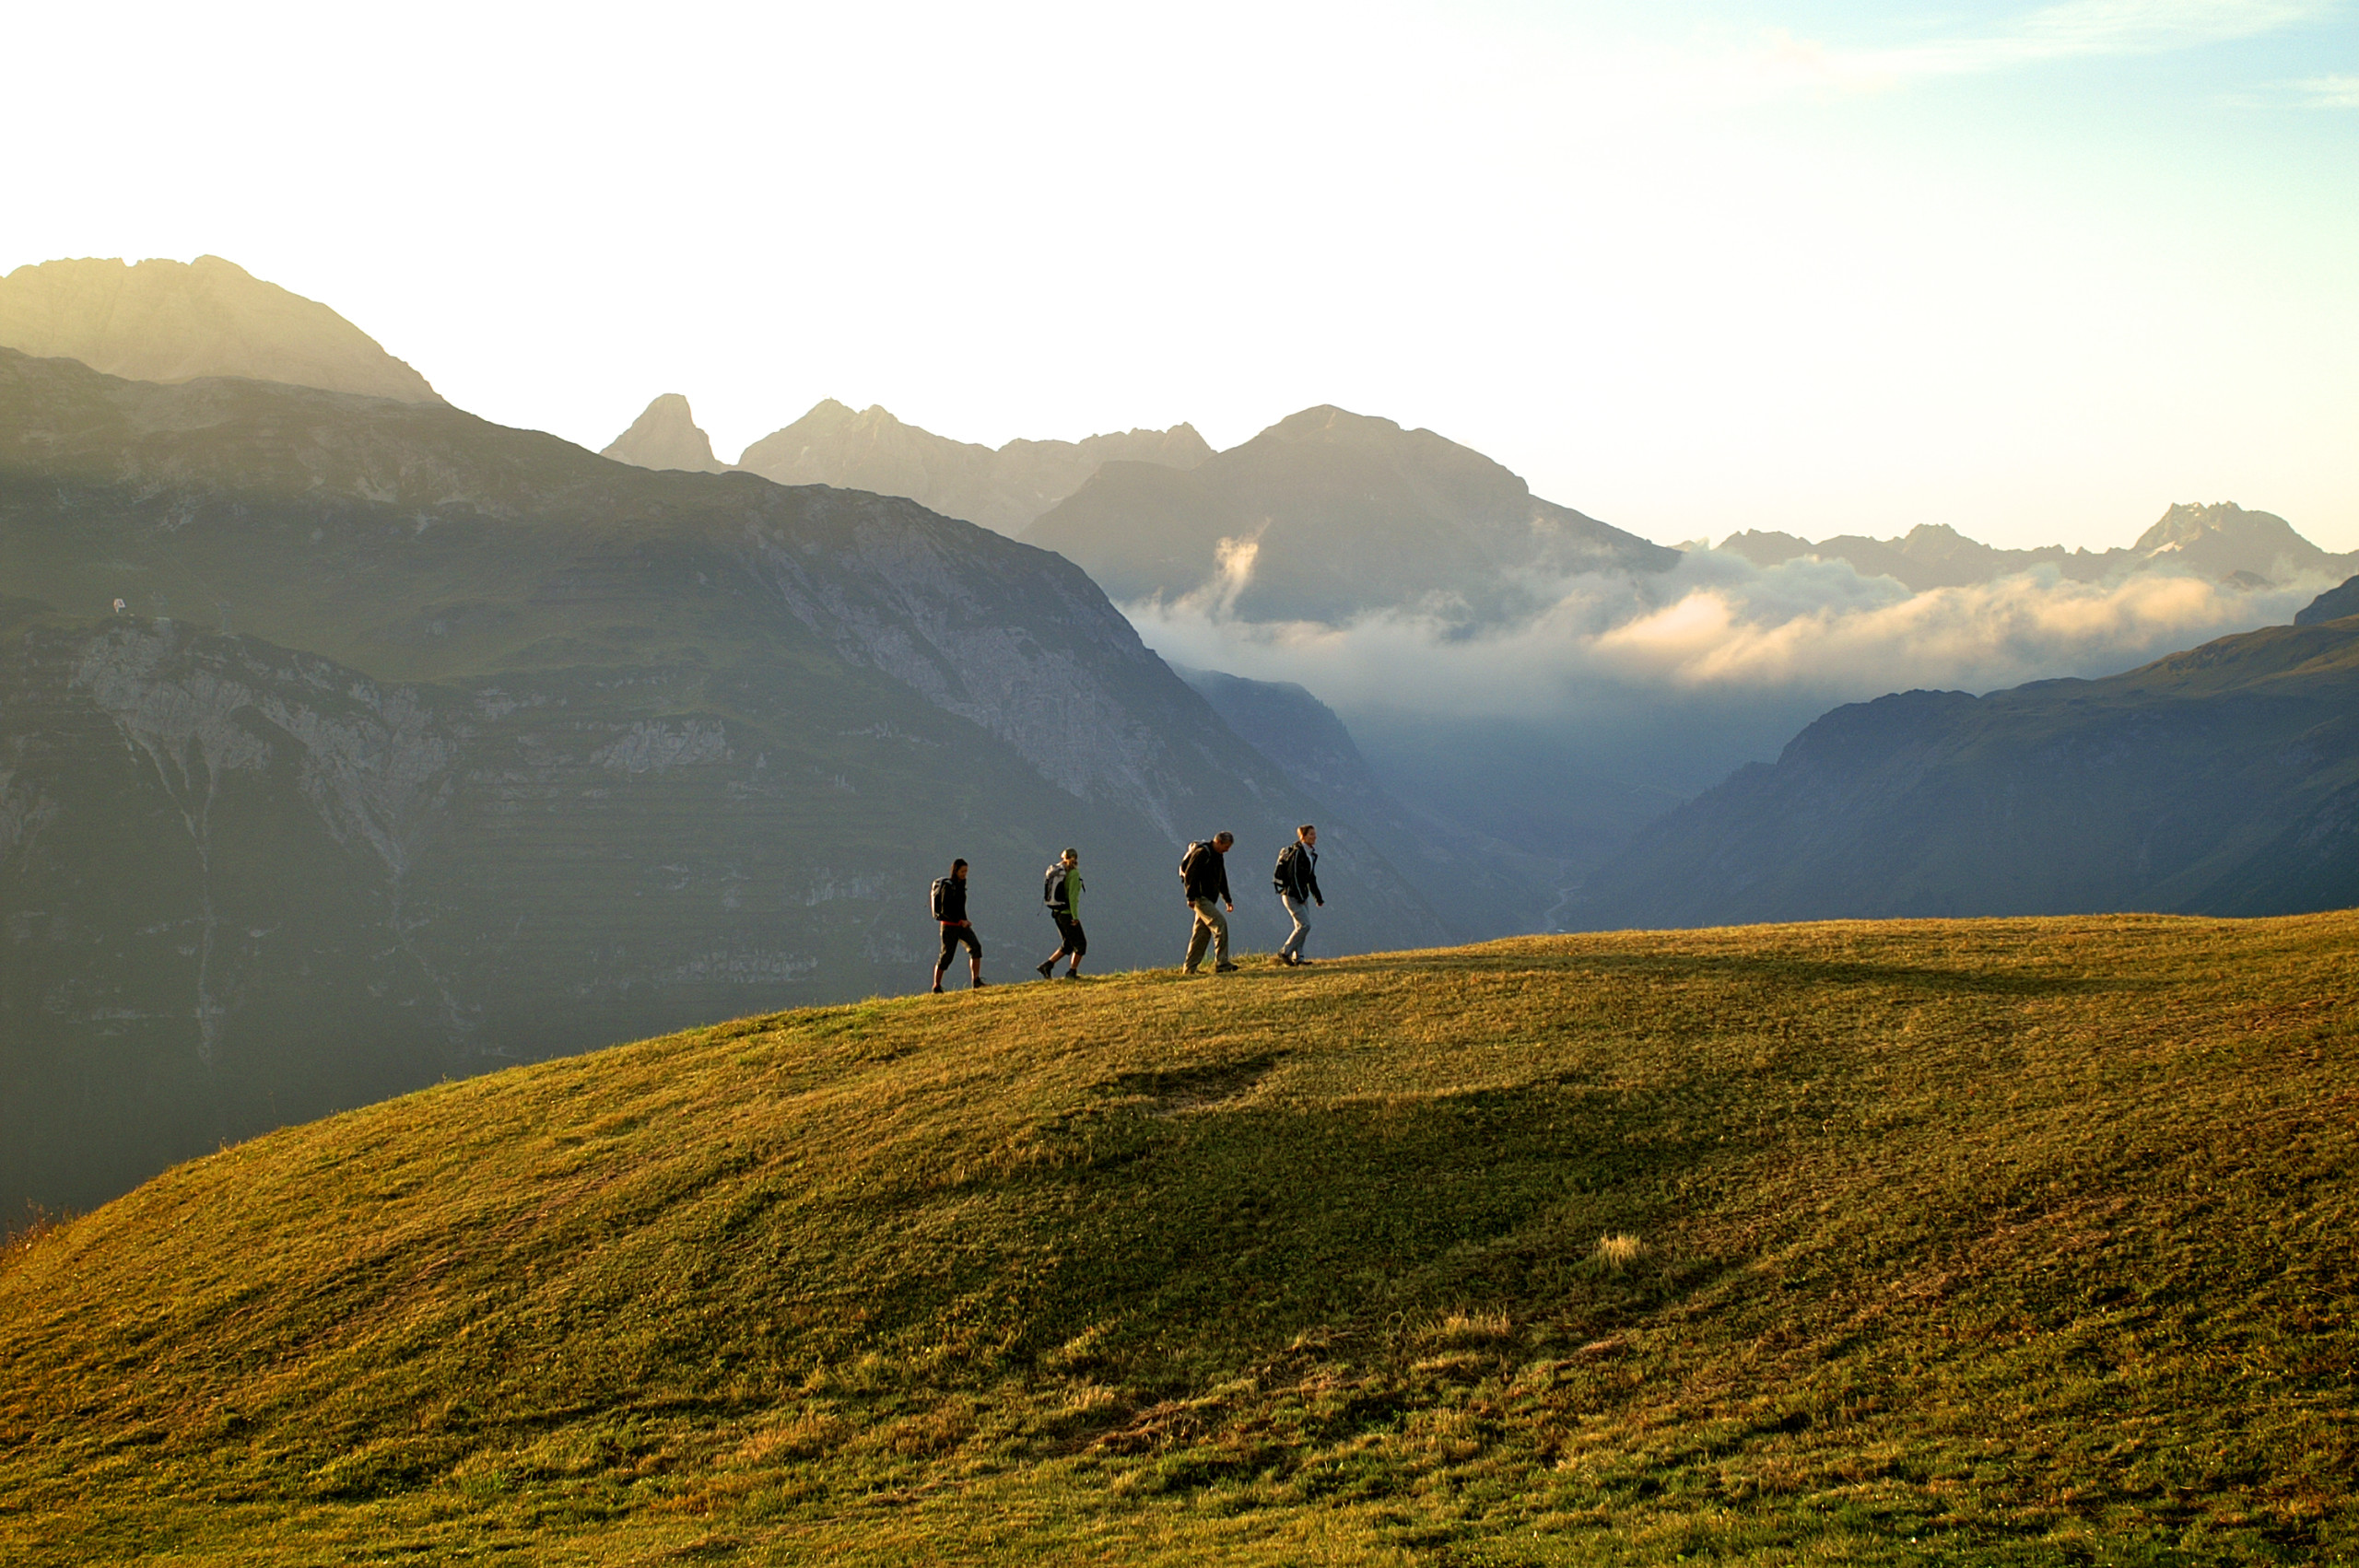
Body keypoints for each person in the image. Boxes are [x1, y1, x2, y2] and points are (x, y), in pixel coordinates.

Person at [1180, 831, 1238, 974]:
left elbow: (1221, 878)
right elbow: (1191, 875)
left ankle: (1190, 969)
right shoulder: (1202, 853)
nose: (1227, 850)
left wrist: (1227, 899)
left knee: (1201, 934)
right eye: (1226, 846)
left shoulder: (1218, 855)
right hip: (1201, 898)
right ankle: (1222, 963)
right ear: (1218, 842)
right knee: (1220, 924)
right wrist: (1191, 897)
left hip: (1209, 899)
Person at [929, 859, 986, 992]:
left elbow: (960, 907)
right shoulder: (948, 887)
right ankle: (936, 986)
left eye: (966, 871)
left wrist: (965, 920)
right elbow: (945, 910)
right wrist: (961, 921)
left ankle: (976, 981)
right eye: (962, 871)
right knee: (946, 956)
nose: (964, 874)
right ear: (955, 871)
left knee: (976, 947)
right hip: (949, 927)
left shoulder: (961, 885)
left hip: (961, 925)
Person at [1273, 824, 1325, 965]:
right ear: (1303, 836)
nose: (1314, 837)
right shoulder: (1297, 853)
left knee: (1300, 927)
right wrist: (1301, 897)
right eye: (1311, 834)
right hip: (1291, 895)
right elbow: (1294, 876)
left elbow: (1311, 877)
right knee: (1305, 925)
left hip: (1300, 894)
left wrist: (1317, 897)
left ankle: (1299, 958)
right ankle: (1285, 952)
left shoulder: (1310, 854)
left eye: (1314, 834)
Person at [1038, 847, 1086, 978]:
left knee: (1068, 944)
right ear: (1075, 858)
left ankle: (1047, 966)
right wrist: (1075, 917)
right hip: (1067, 914)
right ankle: (1072, 972)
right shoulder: (1074, 874)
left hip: (1057, 913)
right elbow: (1072, 898)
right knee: (1080, 944)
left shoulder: (1059, 873)